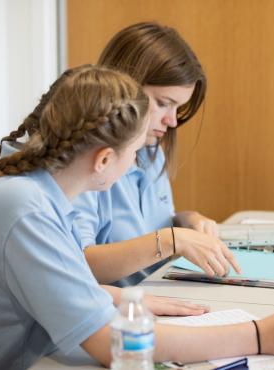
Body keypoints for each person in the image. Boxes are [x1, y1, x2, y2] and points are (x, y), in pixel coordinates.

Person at [0, 65, 274, 370]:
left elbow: (52, 281)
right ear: (103, 160)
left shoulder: (24, 191)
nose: (138, 161)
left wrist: (132, 300)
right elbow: (108, 343)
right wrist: (260, 336)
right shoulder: (25, 210)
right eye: (135, 153)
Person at [76, 21, 236, 286]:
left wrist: (187, 220)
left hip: (160, 294)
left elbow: (148, 228)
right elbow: (77, 266)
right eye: (163, 104)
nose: (172, 122)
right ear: (124, 87)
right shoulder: (84, 163)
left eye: (178, 109)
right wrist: (172, 240)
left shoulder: (151, 152)